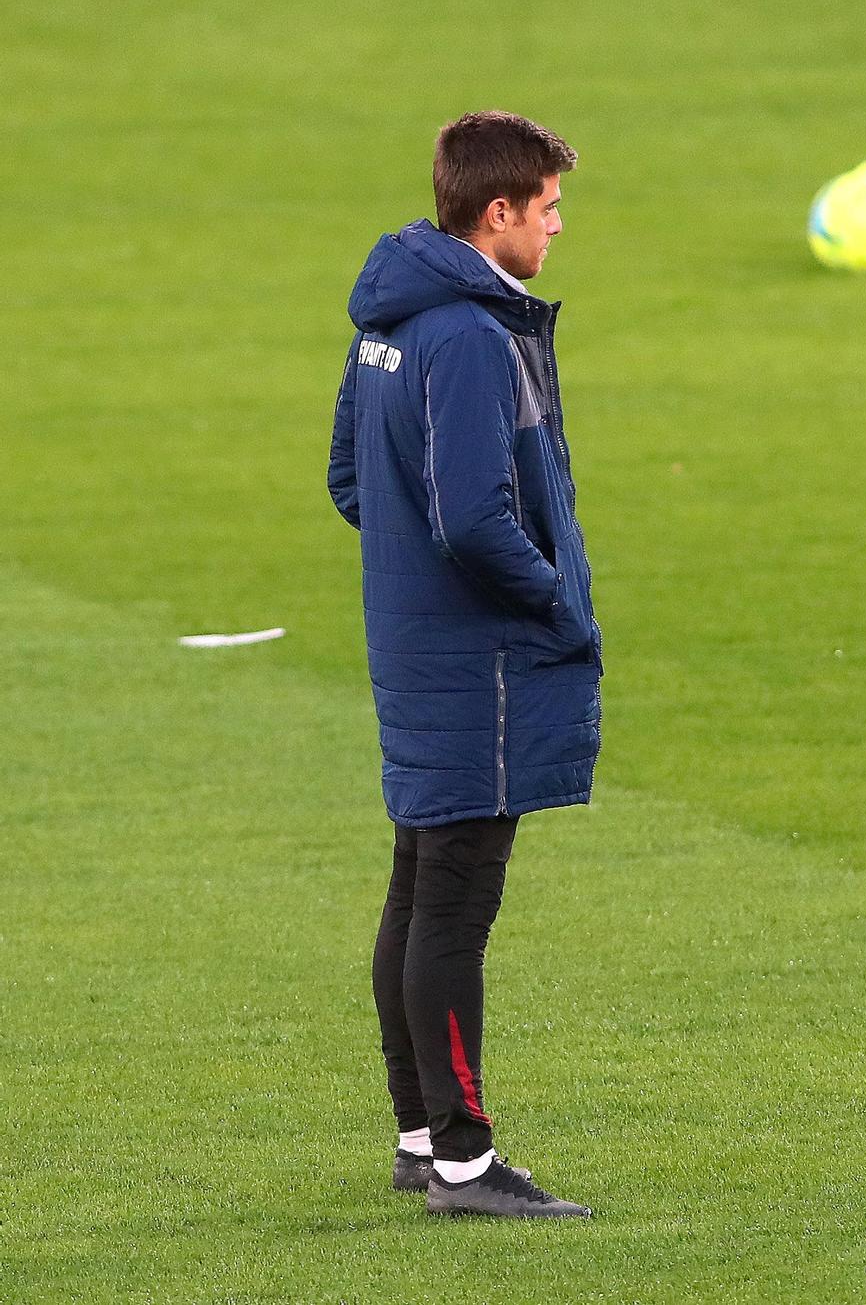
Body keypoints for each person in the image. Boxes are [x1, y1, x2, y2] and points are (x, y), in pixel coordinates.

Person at [328, 111, 601, 1218]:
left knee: (414, 893)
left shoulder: (388, 322)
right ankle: (463, 1161)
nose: (556, 226)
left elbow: (353, 481)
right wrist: (552, 597)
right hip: (477, 662)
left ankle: (418, 1137)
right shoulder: (475, 337)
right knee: (451, 910)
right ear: (496, 213)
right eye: (546, 208)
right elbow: (476, 518)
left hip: (415, 648)